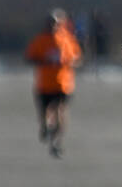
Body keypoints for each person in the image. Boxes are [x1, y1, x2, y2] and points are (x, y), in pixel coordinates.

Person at [24, 9, 82, 158]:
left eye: (56, 23)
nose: (53, 26)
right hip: (44, 85)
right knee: (45, 113)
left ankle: (56, 141)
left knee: (60, 111)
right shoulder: (40, 40)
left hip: (63, 84)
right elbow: (29, 58)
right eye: (50, 23)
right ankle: (45, 127)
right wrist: (44, 61)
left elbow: (78, 59)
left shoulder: (67, 39)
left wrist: (68, 62)